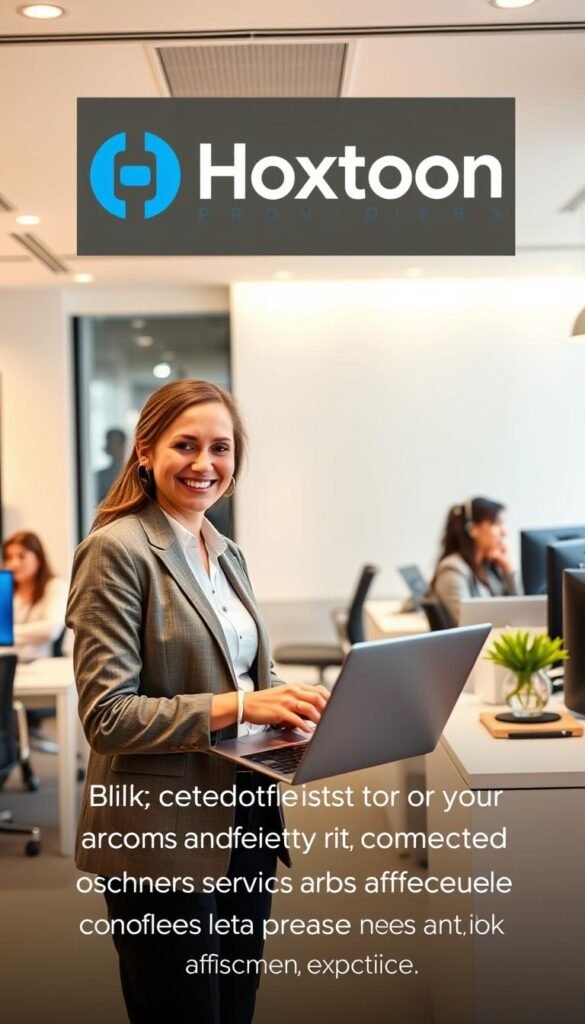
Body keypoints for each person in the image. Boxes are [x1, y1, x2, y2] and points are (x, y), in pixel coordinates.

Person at [66, 380, 329, 1024]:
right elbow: (107, 717)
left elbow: (241, 672)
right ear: (146, 453)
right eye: (185, 445)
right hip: (161, 833)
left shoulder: (224, 549)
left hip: (244, 812)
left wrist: (295, 711)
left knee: (234, 1006)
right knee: (181, 1013)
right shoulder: (116, 551)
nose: (204, 464)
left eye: (221, 447)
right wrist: (244, 708)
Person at [431, 496, 519, 626]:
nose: (504, 532)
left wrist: (508, 571)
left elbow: (518, 613)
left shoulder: (487, 567)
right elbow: (467, 623)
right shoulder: (452, 569)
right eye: (496, 524)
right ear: (473, 529)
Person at [3, 530, 68, 663]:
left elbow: (51, 629)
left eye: (21, 556)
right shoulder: (5, 590)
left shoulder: (55, 586)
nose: (14, 564)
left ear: (38, 558)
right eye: (9, 558)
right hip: (7, 664)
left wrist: (8, 633)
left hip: (42, 666)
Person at [96, 427, 127, 503]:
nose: (108, 446)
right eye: (109, 443)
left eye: (114, 443)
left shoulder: (135, 473)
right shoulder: (100, 476)